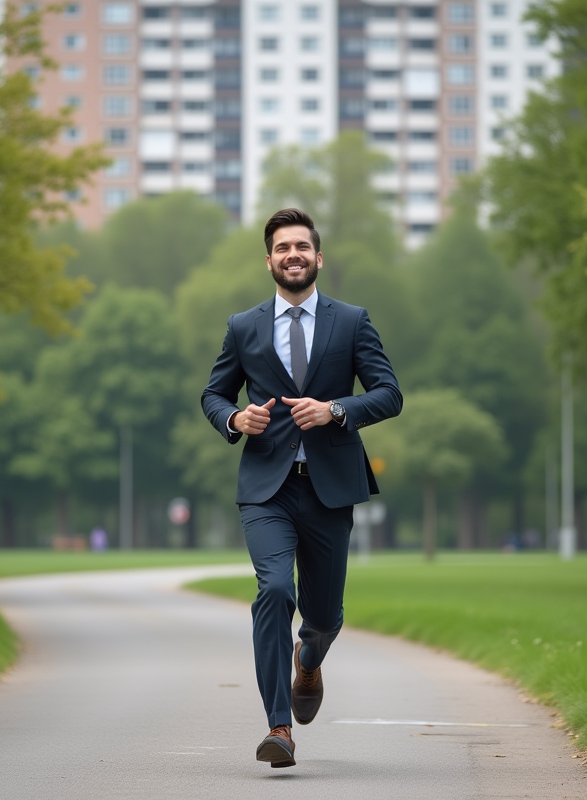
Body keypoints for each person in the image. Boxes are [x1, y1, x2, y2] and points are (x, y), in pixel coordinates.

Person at [201, 208, 402, 768]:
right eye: (282, 247)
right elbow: (213, 395)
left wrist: (337, 409)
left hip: (330, 488)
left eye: (302, 247)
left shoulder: (352, 321)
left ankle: (308, 660)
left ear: (318, 258)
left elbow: (389, 393)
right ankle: (278, 727)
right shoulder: (243, 327)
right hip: (266, 488)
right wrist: (234, 420)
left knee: (323, 616)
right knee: (273, 592)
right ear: (269, 260)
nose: (293, 255)